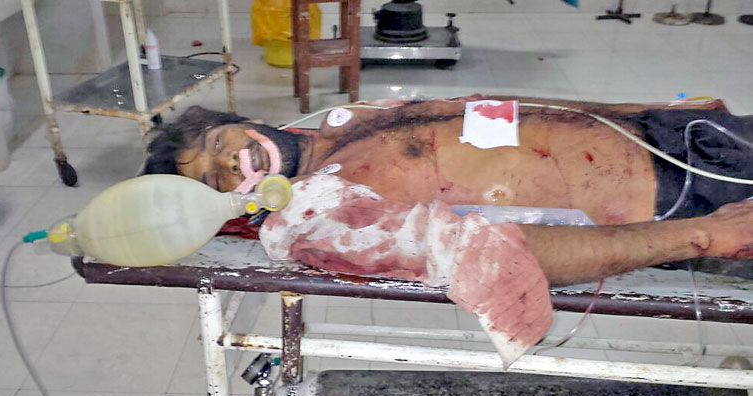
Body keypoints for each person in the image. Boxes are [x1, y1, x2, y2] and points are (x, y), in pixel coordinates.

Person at [142, 94, 753, 287]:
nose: (232, 158)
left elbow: (501, 109)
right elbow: (496, 256)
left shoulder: (345, 120)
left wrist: (643, 110)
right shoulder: (321, 216)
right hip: (690, 201)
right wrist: (704, 234)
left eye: (220, 141)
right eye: (215, 176)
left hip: (681, 135)